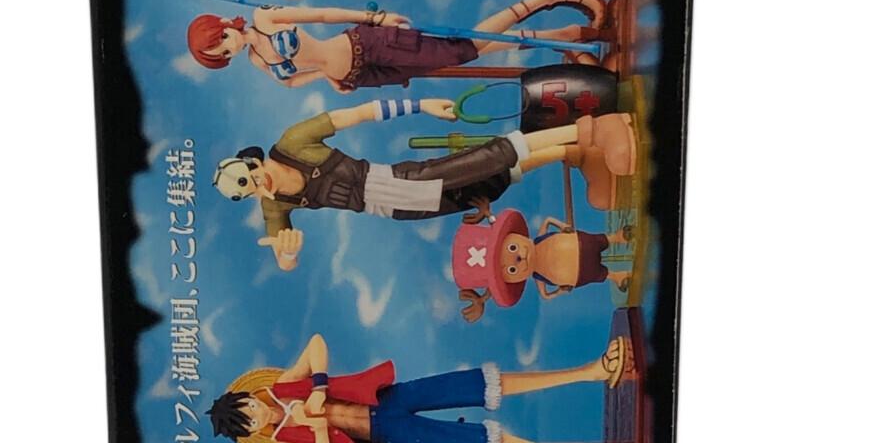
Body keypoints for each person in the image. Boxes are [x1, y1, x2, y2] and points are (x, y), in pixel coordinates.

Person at [212, 95, 637, 272]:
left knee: (487, 157)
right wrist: (288, 253)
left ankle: (592, 129)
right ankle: (572, 153)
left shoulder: (292, 142)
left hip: (396, 180)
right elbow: (283, 259)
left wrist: (421, 105)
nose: (259, 184)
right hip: (397, 208)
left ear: (251, 160)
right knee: (488, 185)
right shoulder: (275, 206)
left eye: (251, 175)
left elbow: (357, 114)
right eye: (249, 190)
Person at [205, 330, 632, 443]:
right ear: (251, 433)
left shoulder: (283, 386)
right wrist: (316, 430)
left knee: (478, 384)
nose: (259, 416)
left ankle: (590, 371)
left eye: (250, 408)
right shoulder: (286, 442)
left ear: (249, 396)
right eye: (251, 422)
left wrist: (317, 389)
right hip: (387, 431)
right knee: (477, 442)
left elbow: (317, 344)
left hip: (389, 398)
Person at [185, 0, 606, 91]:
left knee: (462, 49)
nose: (227, 49)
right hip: (361, 76)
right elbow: (293, 82)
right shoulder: (257, 60)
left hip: (367, 45)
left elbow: (323, 15)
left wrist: (373, 18)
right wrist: (326, 77)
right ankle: (562, 37)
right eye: (221, 56)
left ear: (223, 25)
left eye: (221, 42)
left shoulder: (263, 18)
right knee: (458, 57)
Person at [452, 203, 633, 319]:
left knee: (598, 241)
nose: (519, 258)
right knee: (600, 274)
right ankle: (617, 276)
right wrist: (560, 291)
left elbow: (547, 221)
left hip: (578, 244)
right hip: (579, 274)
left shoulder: (540, 240)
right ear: (511, 281)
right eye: (512, 270)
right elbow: (546, 295)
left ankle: (617, 237)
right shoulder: (539, 276)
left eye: (512, 248)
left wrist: (563, 227)